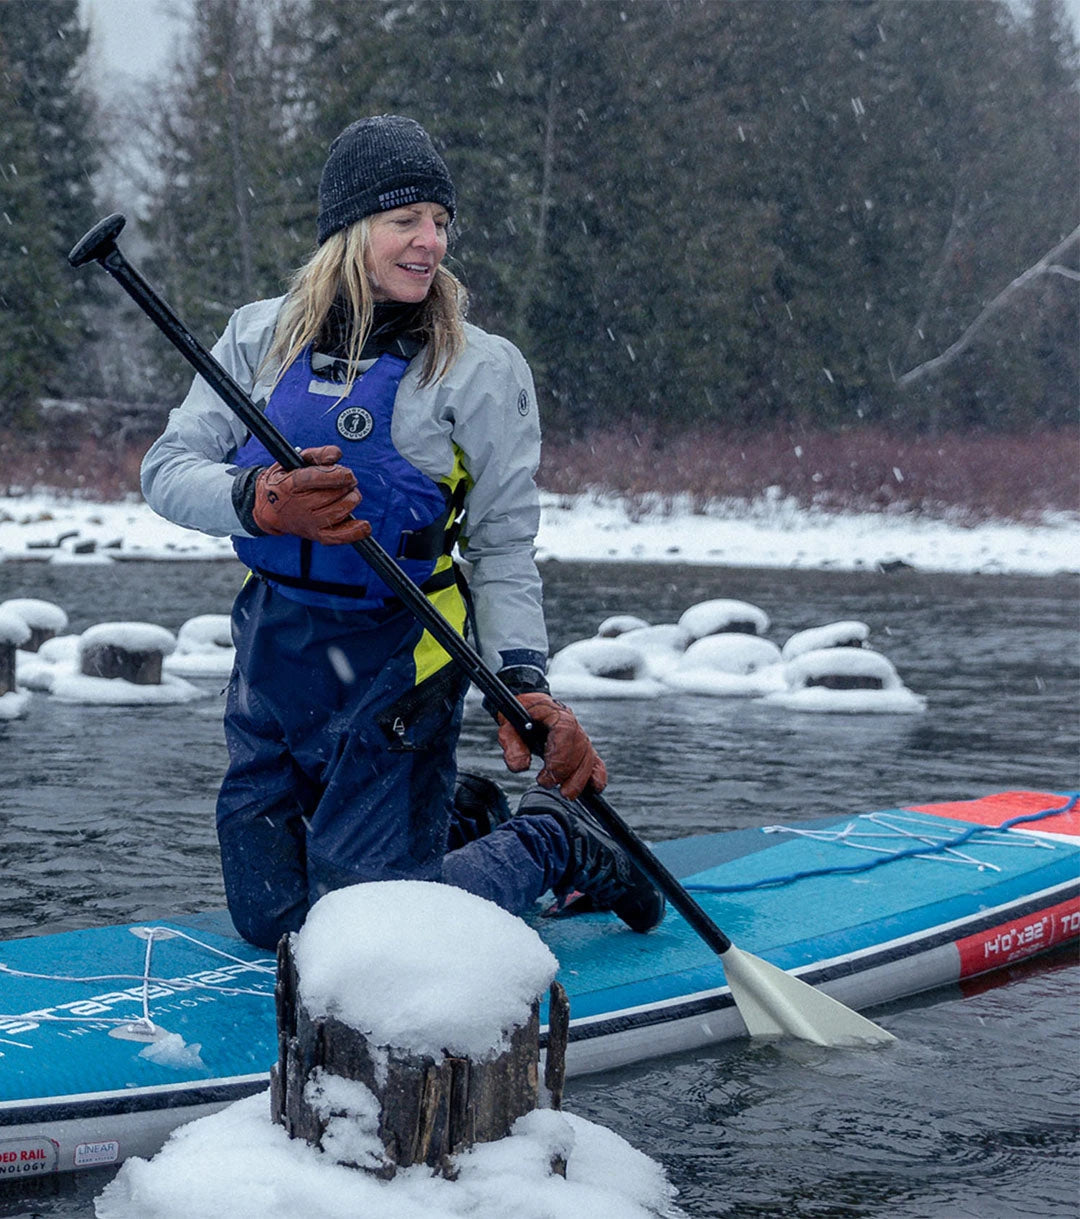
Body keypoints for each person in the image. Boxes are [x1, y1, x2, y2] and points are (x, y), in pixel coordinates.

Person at [141, 114, 664, 950]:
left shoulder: (478, 367)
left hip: (402, 655)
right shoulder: (258, 335)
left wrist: (524, 678)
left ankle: (554, 837)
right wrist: (260, 500)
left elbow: (501, 544)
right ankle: (457, 819)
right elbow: (166, 470)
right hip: (275, 647)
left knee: (371, 934)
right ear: (349, 231)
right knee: (269, 918)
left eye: (441, 221)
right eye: (406, 220)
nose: (432, 242)